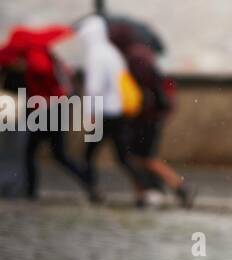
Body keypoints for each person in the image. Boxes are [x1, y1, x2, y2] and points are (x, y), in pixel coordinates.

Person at [0, 25, 94, 200]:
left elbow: (40, 70)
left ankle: (32, 192)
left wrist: (25, 67)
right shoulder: (47, 53)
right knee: (44, 153)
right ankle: (32, 191)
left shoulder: (35, 55)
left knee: (46, 153)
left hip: (47, 109)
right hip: (51, 107)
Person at [107, 21, 195, 208]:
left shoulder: (135, 58)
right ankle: (154, 190)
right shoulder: (142, 55)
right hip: (150, 115)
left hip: (146, 116)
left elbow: (144, 88)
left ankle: (177, 186)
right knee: (139, 157)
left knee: (143, 158)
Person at [76, 15, 150, 205]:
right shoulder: (111, 52)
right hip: (117, 111)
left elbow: (94, 88)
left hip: (103, 113)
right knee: (123, 156)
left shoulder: (95, 55)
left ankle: (93, 191)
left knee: (88, 155)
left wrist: (88, 114)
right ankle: (143, 190)